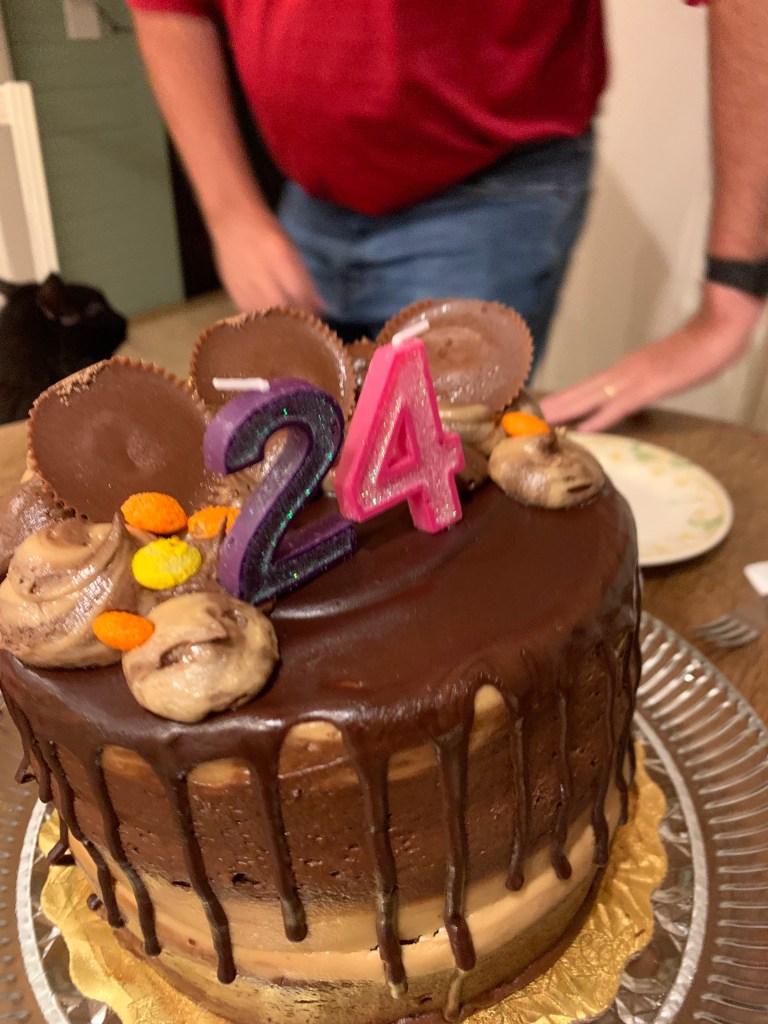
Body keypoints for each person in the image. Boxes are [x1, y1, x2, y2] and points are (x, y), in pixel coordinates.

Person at [126, 0, 768, 428]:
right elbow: (169, 8)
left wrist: (732, 292)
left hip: (487, 196)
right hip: (303, 202)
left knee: (433, 498)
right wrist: (230, 211)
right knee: (297, 455)